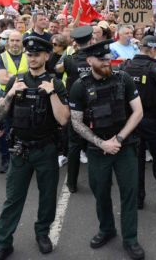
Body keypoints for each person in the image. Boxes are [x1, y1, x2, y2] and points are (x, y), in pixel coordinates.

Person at [0, 36, 70, 260]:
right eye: (29, 54)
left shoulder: (56, 83)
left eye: (36, 54)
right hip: (20, 150)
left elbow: (64, 119)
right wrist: (12, 93)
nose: (32, 58)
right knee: (13, 198)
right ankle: (3, 242)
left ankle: (42, 233)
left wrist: (52, 93)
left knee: (47, 197)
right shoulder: (16, 80)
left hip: (46, 149)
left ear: (46, 56)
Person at [68, 39, 145, 260]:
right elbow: (76, 122)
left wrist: (119, 139)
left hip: (125, 147)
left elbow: (138, 112)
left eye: (108, 57)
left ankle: (130, 239)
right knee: (101, 192)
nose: (107, 62)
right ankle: (107, 229)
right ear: (90, 60)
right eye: (102, 59)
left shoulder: (124, 78)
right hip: (97, 150)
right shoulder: (79, 86)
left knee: (129, 193)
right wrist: (102, 144)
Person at [120, 35, 156, 210]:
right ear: (152, 49)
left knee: (136, 161)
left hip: (132, 122)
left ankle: (138, 199)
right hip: (154, 121)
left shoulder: (126, 67)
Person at [56, 26, 93, 192]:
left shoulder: (69, 60)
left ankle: (71, 183)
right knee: (97, 143)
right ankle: (101, 181)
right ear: (91, 40)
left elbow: (56, 71)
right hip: (94, 106)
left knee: (74, 145)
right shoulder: (96, 59)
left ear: (75, 43)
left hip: (75, 108)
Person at [0, 31, 27, 173]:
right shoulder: (2, 57)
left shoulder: (28, 56)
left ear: (22, 42)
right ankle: (5, 160)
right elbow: (2, 79)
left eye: (18, 40)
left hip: (24, 97)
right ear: (8, 41)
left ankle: (23, 159)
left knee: (24, 128)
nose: (15, 43)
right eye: (12, 40)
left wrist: (11, 77)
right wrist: (23, 78)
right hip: (7, 96)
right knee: (6, 130)